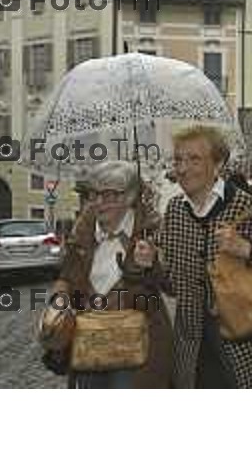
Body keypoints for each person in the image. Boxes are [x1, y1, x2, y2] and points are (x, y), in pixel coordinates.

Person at [156, 125, 252, 388]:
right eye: (178, 159)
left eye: (194, 159)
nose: (182, 168)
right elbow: (170, 283)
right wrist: (149, 266)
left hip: (243, 344)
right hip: (191, 347)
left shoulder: (247, 208)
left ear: (218, 164)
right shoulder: (175, 210)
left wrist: (247, 249)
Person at [45, 161, 173, 388]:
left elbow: (171, 285)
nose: (99, 203)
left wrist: (152, 265)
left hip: (138, 348)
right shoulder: (82, 234)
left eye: (110, 195)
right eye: (95, 194)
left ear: (130, 197)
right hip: (89, 342)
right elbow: (67, 278)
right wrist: (58, 303)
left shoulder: (152, 230)